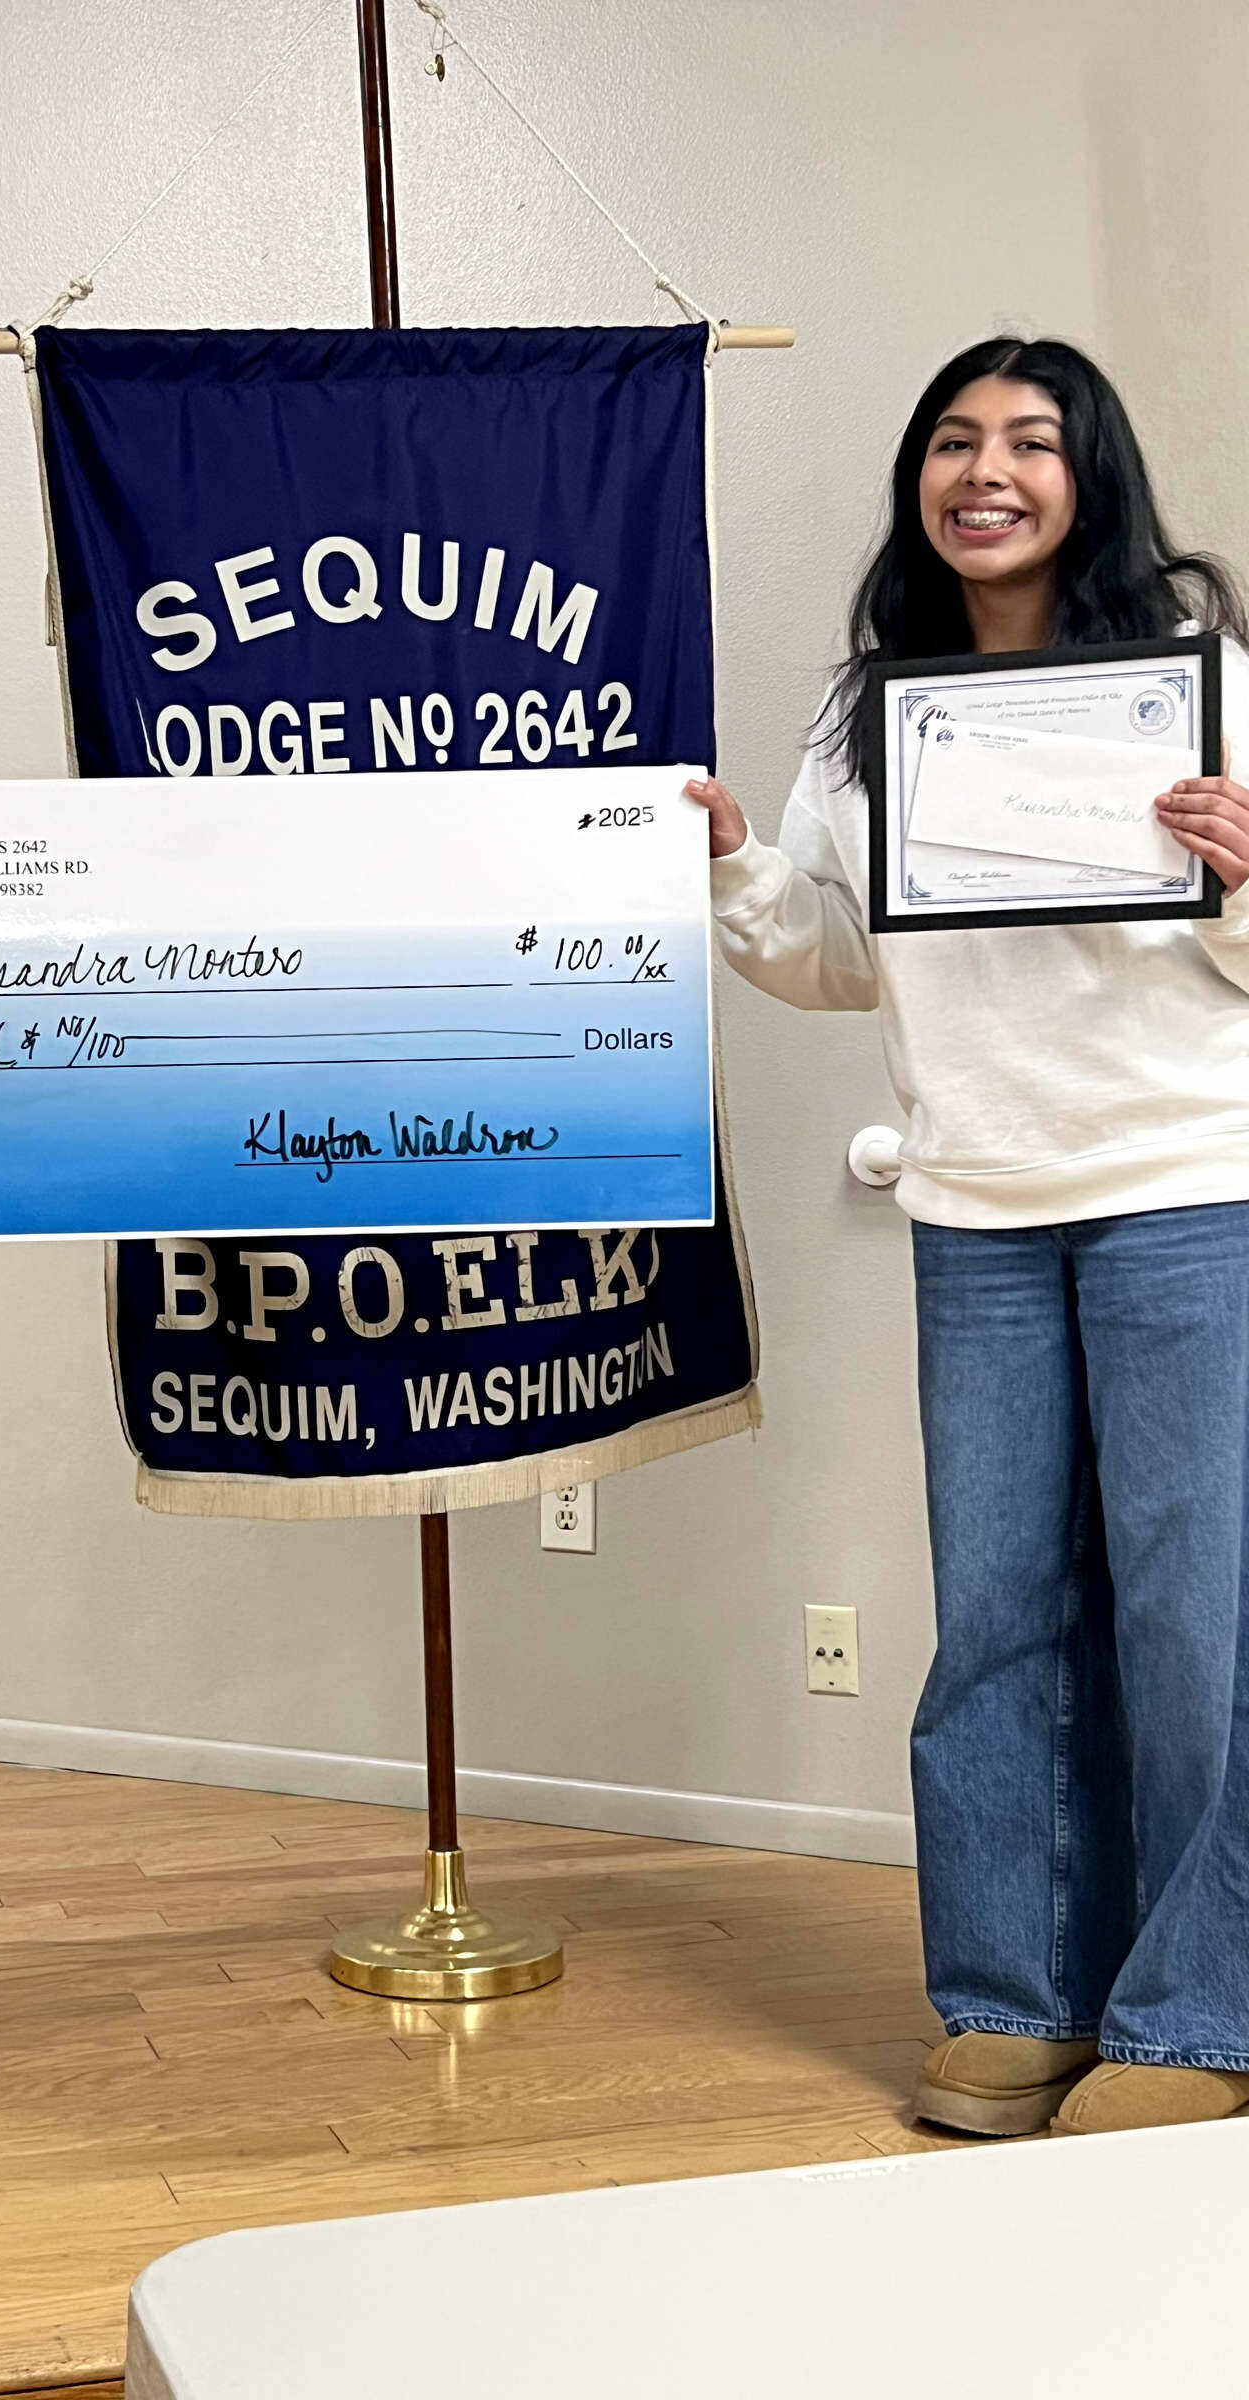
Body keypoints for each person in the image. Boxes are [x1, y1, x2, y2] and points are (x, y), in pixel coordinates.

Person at [688, 337, 1249, 2139]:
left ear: (1093, 475)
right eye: (953, 439)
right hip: (977, 1205)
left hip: (1187, 1192)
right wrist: (720, 863)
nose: (985, 470)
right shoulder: (875, 713)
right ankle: (1019, 1995)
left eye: (1028, 441)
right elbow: (840, 956)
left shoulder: (1199, 678)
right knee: (999, 1616)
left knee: (1197, 1625)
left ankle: (1196, 2016)